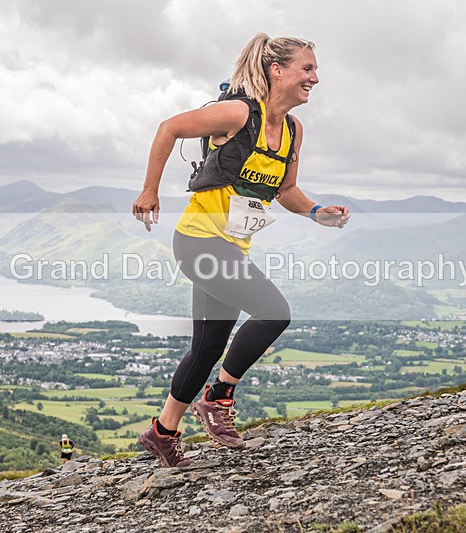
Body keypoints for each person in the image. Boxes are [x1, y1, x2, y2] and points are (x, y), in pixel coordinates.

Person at [133, 33, 350, 468]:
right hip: (199, 241)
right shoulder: (236, 112)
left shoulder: (291, 131)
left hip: (229, 246)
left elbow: (286, 190)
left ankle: (163, 431)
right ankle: (218, 397)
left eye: (315, 69)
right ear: (277, 70)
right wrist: (149, 190)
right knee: (274, 312)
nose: (315, 78)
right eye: (307, 69)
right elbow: (169, 128)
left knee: (207, 347)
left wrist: (316, 211)